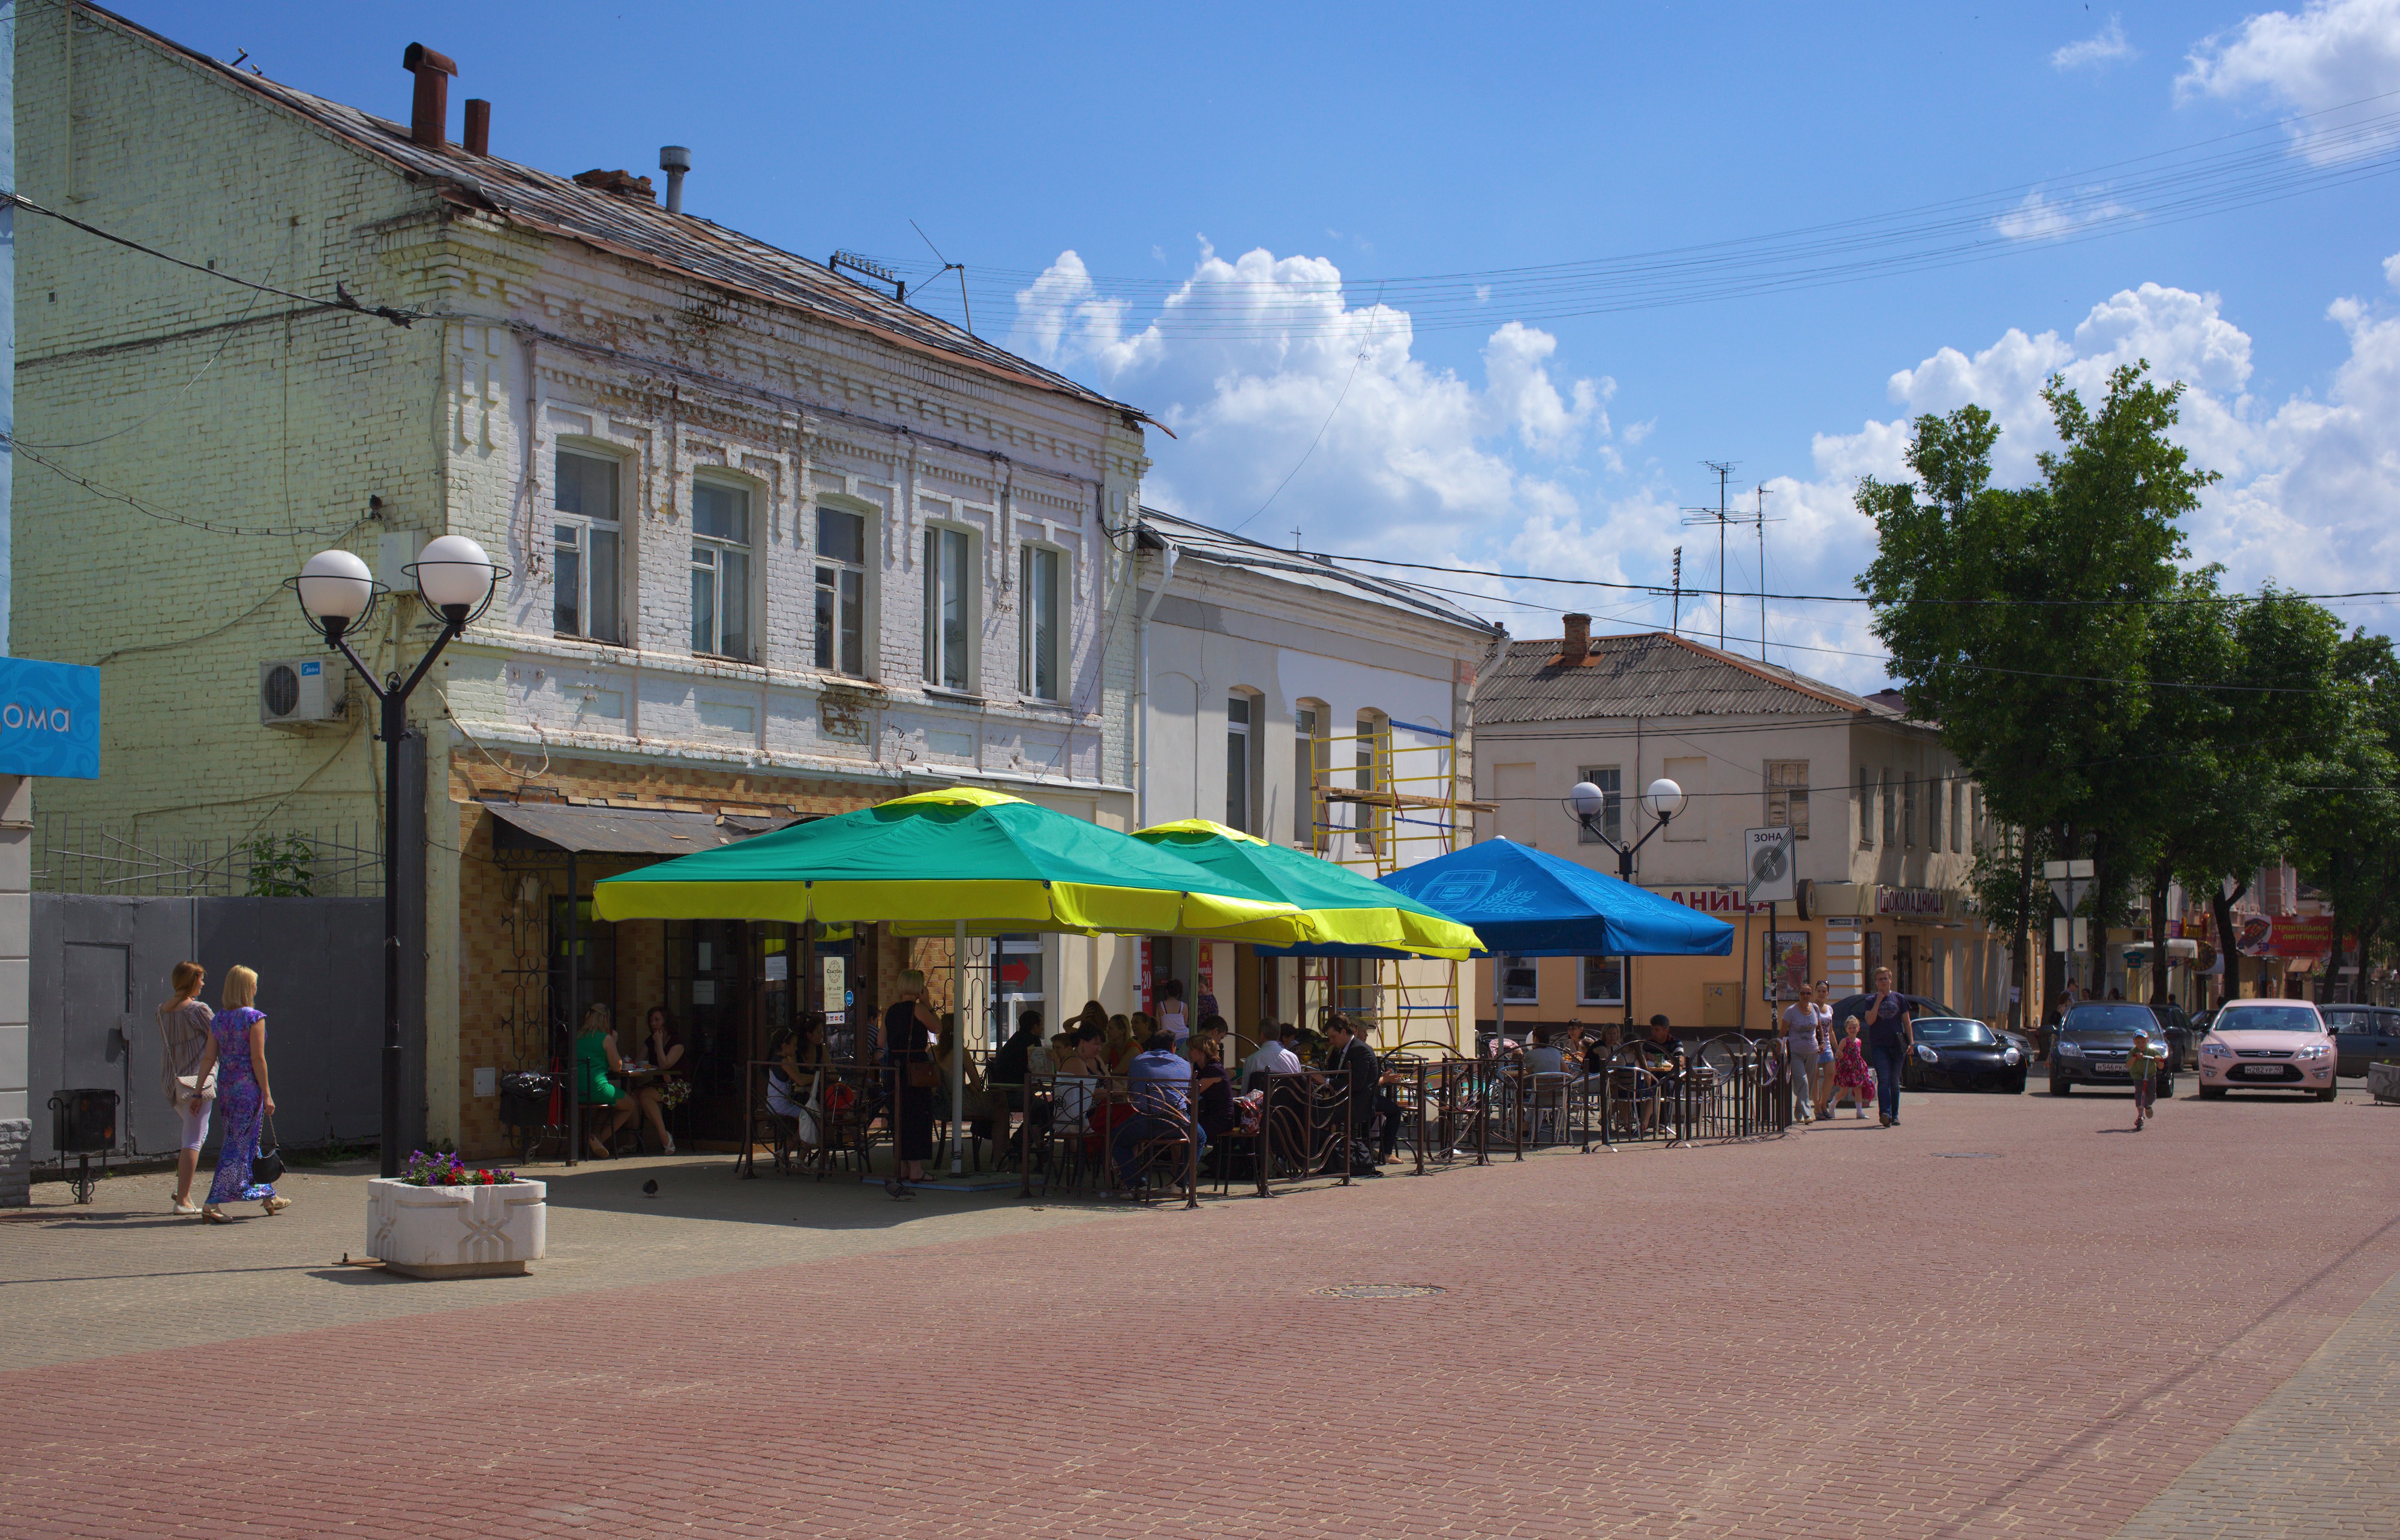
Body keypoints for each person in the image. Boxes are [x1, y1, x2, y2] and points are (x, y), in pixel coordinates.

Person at [183, 965, 287, 1222]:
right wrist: (267, 1094)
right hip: (248, 1089)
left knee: (245, 1140)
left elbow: (208, 1058)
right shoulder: (254, 1018)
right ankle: (212, 1202)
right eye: (253, 984)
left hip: (227, 1088)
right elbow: (258, 1059)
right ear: (246, 988)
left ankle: (268, 1195)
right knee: (236, 1145)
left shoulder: (219, 1019)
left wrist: (198, 1093)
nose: (255, 988)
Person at [156, 961, 216, 1215]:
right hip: (197, 1083)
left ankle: (184, 1189)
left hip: (173, 1081)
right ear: (191, 981)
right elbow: (220, 1037)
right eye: (200, 979)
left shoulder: (161, 1010)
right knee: (193, 1140)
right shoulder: (198, 1010)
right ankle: (182, 1200)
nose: (203, 983)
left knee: (197, 1135)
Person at [1112, 1028, 1202, 1194]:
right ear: (1173, 1046)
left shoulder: (1137, 1061)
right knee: (1199, 1137)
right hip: (1177, 1123)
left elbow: (1132, 1092)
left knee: (1117, 1140)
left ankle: (1135, 1183)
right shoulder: (1184, 1064)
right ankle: (1182, 1183)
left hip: (1145, 1121)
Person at [882, 970, 941, 1197]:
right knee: (918, 1115)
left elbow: (880, 1041)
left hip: (894, 1069)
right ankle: (916, 1169)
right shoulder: (918, 1009)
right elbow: (938, 1029)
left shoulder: (890, 1011)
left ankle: (903, 1167)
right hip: (915, 1069)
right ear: (918, 988)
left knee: (900, 1117)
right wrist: (928, 1004)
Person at [1320, 1016, 1384, 1176]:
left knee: (1315, 1116)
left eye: (1333, 1037)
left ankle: (1325, 1159)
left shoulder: (1360, 1050)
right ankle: (1327, 1158)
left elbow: (1355, 1084)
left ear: (1343, 1031)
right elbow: (1335, 1074)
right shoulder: (1341, 1049)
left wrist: (1326, 1081)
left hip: (1356, 1104)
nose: (1332, 1041)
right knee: (1308, 1111)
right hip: (1342, 1099)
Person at [574, 1003, 639, 1158]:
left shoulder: (577, 1036)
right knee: (630, 1105)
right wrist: (614, 1042)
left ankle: (592, 1137)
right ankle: (598, 1141)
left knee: (606, 1107)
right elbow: (617, 1067)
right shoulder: (606, 1038)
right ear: (604, 1018)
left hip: (577, 1090)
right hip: (598, 1088)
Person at [1864, 966, 1913, 1127]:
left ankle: (1895, 1115)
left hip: (1897, 1046)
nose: (1883, 982)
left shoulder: (1899, 999)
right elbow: (1870, 1020)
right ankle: (1885, 1113)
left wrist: (1911, 1042)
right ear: (1876, 982)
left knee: (1894, 1082)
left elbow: (1906, 1021)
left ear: (1891, 980)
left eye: (1886, 979)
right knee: (1883, 1080)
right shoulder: (1870, 1001)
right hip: (1879, 1046)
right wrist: (1878, 1001)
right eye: (1880, 979)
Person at [637, 1005, 686, 1155]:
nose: (653, 1023)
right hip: (659, 1083)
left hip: (679, 1085)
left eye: (657, 1020)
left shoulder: (677, 1041)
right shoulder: (650, 1040)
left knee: (645, 1095)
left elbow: (666, 1064)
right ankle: (633, 1142)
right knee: (633, 1095)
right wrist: (659, 1070)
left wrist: (659, 1043)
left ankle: (664, 1137)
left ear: (666, 1021)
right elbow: (639, 1062)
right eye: (651, 1020)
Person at [1783, 981, 1832, 1125]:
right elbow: (1782, 1032)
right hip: (1796, 1052)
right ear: (1798, 994)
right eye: (1802, 993)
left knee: (1809, 1084)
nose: (1805, 996)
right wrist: (1778, 1050)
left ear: (1811, 995)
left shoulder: (1815, 1008)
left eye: (1808, 993)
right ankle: (1806, 1114)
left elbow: (1819, 1028)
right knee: (1803, 1082)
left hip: (1813, 1051)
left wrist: (1822, 1042)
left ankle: (1798, 1112)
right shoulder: (1791, 1011)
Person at [1188, 1020, 1237, 1139]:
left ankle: (1189, 1157)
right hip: (1207, 1114)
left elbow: (1194, 1092)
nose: (1188, 1053)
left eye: (1191, 1050)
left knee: (1185, 1129)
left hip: (1219, 1119)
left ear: (1201, 1051)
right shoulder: (1201, 1068)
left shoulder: (1213, 1069)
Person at [1828, 1016, 1872, 1118]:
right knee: (1844, 1091)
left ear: (1858, 1028)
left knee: (1858, 1089)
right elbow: (1838, 1053)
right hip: (1846, 1069)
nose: (1852, 1030)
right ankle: (1832, 1105)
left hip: (1856, 1069)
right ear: (1846, 1029)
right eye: (1850, 1028)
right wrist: (1839, 1055)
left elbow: (1858, 1055)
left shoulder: (1859, 1041)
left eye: (1854, 1028)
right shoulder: (1845, 1041)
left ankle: (1859, 1112)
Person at [2126, 1028, 2168, 1131]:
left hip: (2150, 1075)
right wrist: (2135, 1057)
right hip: (2138, 1076)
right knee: (2139, 1096)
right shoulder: (2133, 1052)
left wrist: (2159, 1060)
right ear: (2134, 1042)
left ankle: (2148, 1106)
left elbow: (2161, 1066)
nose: (2141, 1044)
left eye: (2143, 1042)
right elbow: (2128, 1064)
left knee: (2152, 1095)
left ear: (2147, 1041)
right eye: (2138, 1042)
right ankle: (2140, 1115)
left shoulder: (2153, 1051)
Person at [1156, 978, 1190, 1047]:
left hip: (1169, 1040)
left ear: (1167, 991)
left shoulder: (1160, 1005)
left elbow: (1158, 1026)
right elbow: (1185, 1023)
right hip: (1186, 1036)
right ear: (1179, 993)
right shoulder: (1184, 1006)